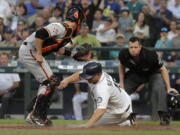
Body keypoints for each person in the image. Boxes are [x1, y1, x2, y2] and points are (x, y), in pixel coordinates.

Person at [18, 6, 86, 127]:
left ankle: (39, 116)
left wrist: (73, 54)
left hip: (32, 51)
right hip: (30, 50)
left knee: (51, 82)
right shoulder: (61, 27)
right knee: (48, 82)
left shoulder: (67, 33)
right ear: (78, 19)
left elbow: (58, 49)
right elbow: (40, 33)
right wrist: (39, 53)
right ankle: (35, 115)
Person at [118, 37, 178, 125]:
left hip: (152, 74)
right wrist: (122, 84)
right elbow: (121, 66)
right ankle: (122, 116)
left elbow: (163, 69)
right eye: (131, 47)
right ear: (128, 47)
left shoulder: (150, 54)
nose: (133, 50)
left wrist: (168, 87)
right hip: (136, 74)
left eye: (135, 47)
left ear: (140, 47)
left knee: (159, 87)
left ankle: (163, 116)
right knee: (120, 92)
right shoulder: (123, 54)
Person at [58, 62, 134, 128]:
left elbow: (101, 110)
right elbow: (79, 75)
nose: (87, 79)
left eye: (89, 77)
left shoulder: (102, 88)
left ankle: (126, 122)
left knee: (94, 126)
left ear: (98, 75)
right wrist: (67, 80)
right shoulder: (97, 74)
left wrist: (87, 126)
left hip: (120, 111)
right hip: (122, 101)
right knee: (95, 122)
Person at [0, 53, 20, 119]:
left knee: (6, 97)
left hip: (9, 91)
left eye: (5, 59)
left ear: (8, 60)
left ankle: (1, 117)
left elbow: (16, 83)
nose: (3, 60)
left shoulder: (12, 68)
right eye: (2, 58)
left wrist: (6, 90)